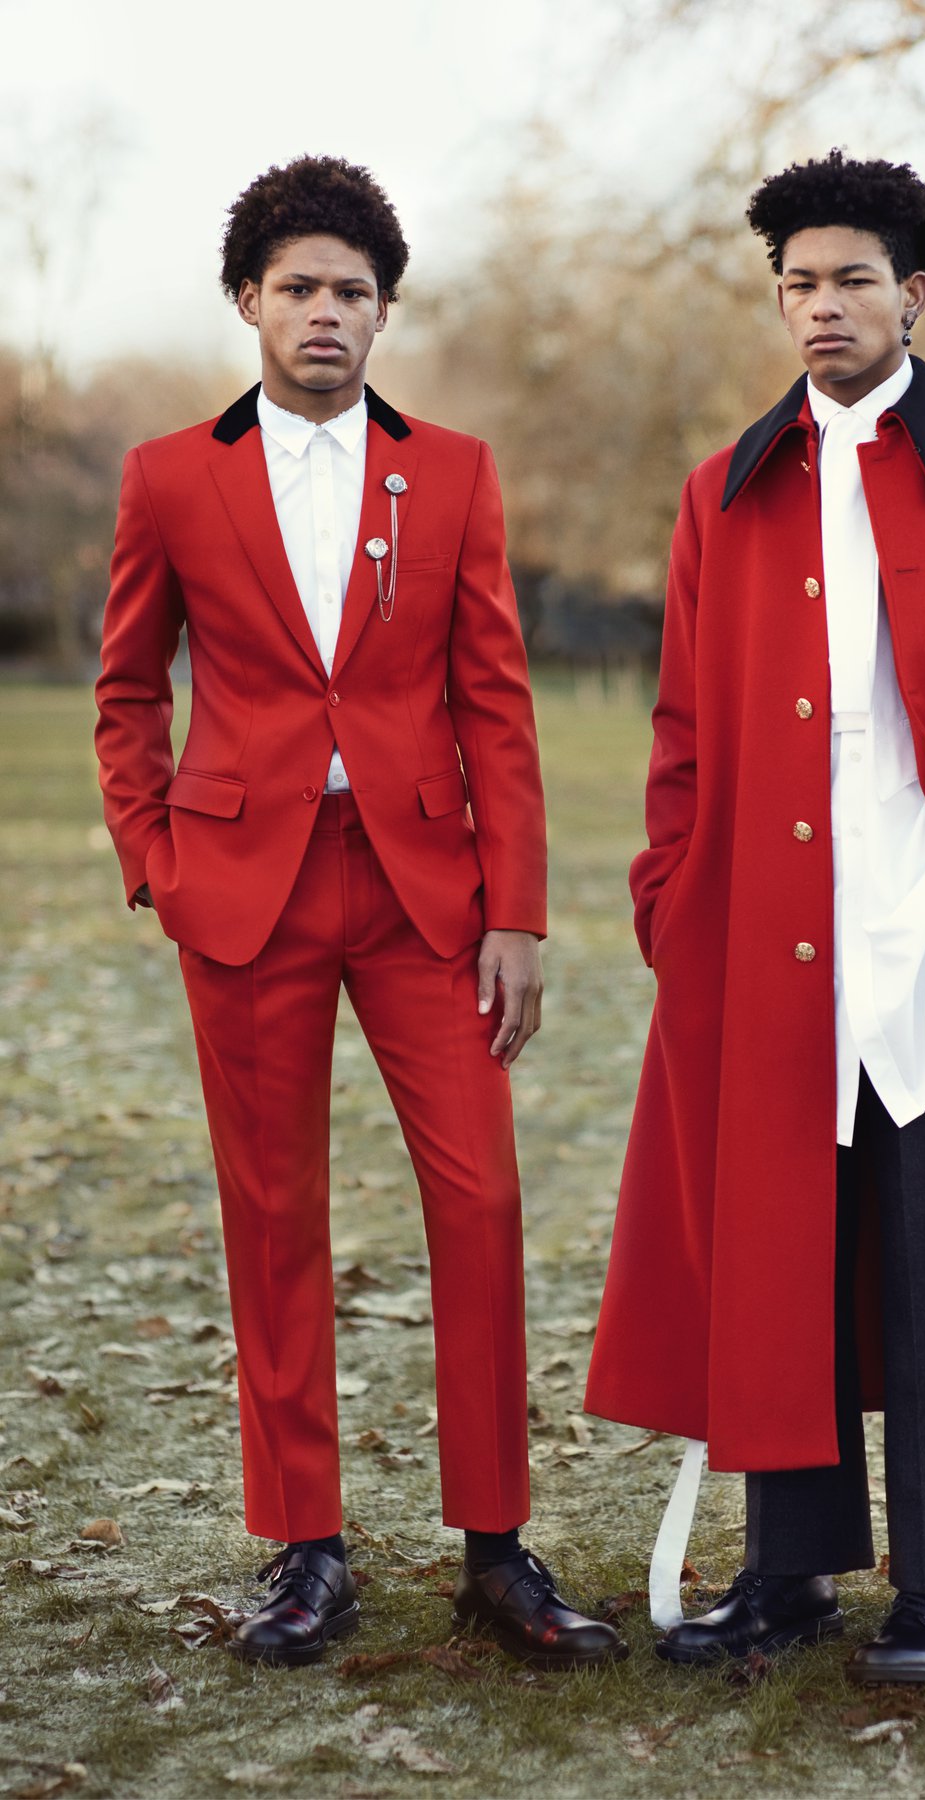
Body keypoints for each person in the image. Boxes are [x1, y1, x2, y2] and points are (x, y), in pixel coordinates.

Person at [584, 149, 925, 1683]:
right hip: (765, 935)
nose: (820, 307)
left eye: (849, 279)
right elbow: (682, 730)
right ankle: (791, 1567)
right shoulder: (724, 491)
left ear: (915, 292)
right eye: (797, 285)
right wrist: (672, 898)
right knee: (783, 1248)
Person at [95, 155, 624, 1672]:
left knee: (481, 1203)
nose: (326, 312)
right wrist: (156, 860)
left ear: (385, 312)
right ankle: (306, 1549)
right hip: (242, 894)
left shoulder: (451, 471)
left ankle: (497, 1549)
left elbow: (497, 702)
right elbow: (128, 688)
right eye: (300, 288)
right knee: (275, 1221)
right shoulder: (167, 476)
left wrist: (514, 912)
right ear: (249, 302)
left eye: (353, 291)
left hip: (424, 898)